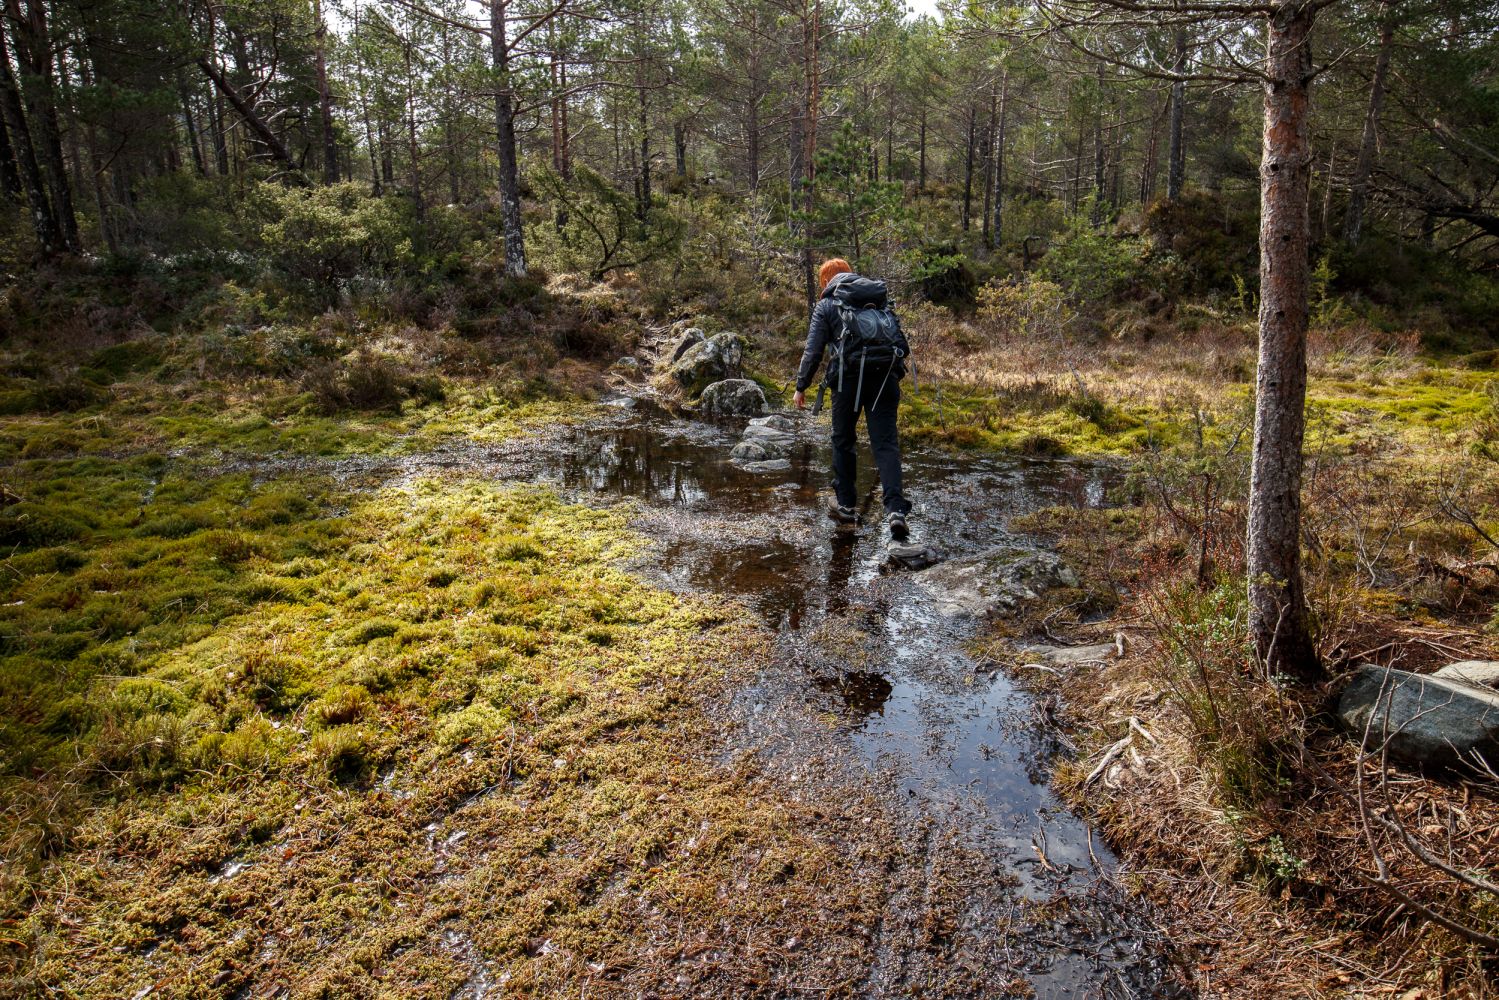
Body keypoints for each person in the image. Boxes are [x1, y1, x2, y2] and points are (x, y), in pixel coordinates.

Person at [793, 258, 913, 539]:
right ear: (850, 274)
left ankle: (846, 505)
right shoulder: (878, 301)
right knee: (886, 444)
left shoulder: (826, 305)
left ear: (826, 282)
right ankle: (896, 510)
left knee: (843, 439)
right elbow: (902, 346)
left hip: (847, 382)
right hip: (885, 379)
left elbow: (813, 350)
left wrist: (801, 386)